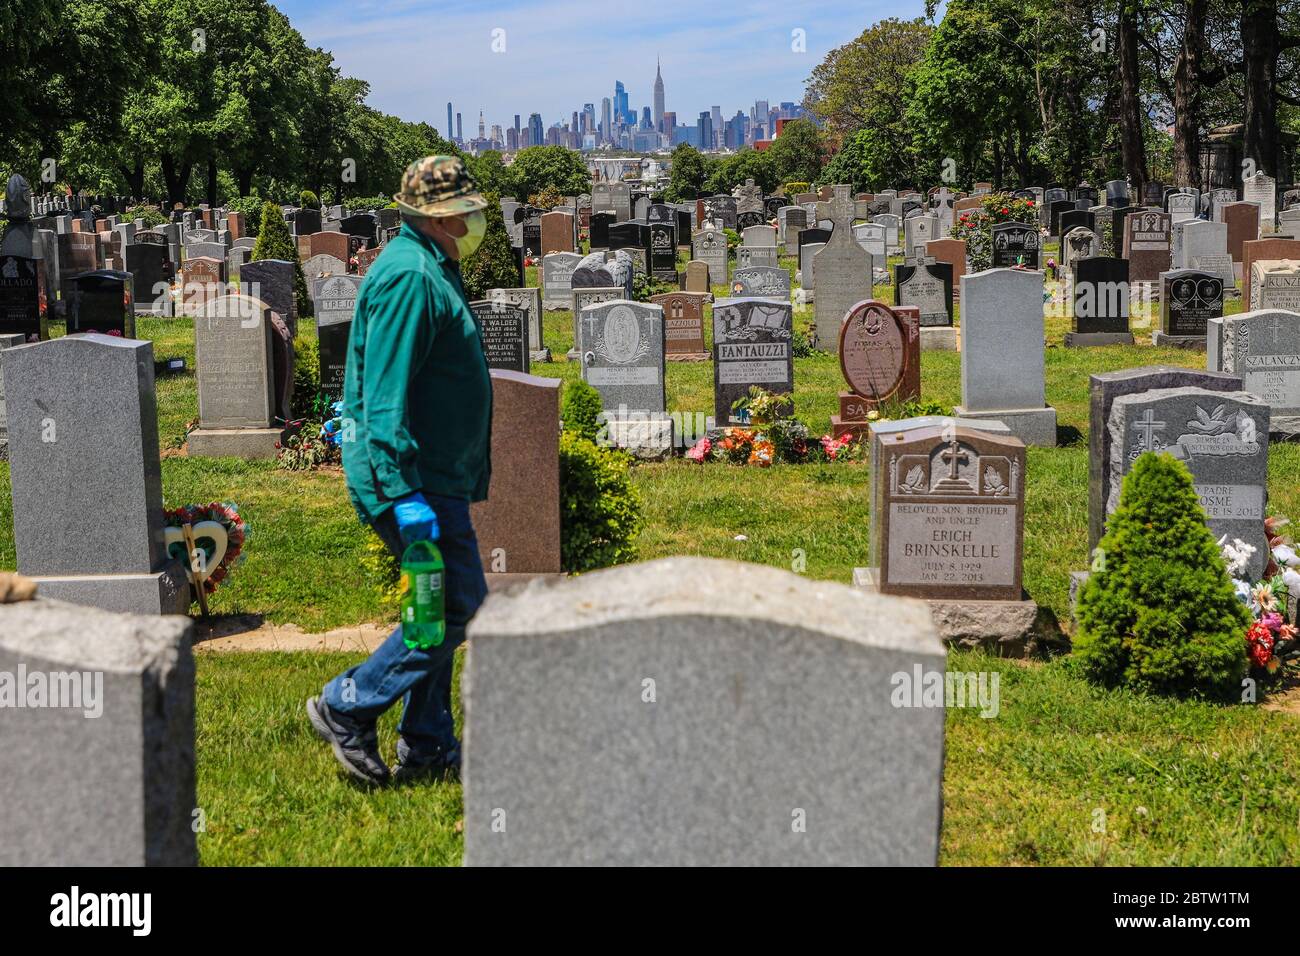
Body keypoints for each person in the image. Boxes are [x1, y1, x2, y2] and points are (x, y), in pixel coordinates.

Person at [307, 155, 493, 785]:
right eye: (466, 211)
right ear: (436, 217)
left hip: (433, 475)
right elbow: (383, 397)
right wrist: (401, 492)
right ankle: (346, 705)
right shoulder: (410, 276)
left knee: (432, 606)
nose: (475, 220)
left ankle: (429, 744)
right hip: (411, 482)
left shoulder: (429, 264)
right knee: (456, 605)